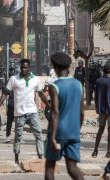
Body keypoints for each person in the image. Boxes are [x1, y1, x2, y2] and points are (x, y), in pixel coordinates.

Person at [0, 59, 50, 164]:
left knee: (38, 134)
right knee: (18, 136)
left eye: (25, 67)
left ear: (29, 68)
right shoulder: (14, 79)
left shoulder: (35, 79)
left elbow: (41, 94)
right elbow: (5, 93)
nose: (23, 69)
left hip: (32, 112)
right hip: (19, 113)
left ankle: (41, 157)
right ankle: (16, 158)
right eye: (22, 67)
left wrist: (48, 105)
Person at [44, 52, 84, 180]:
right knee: (72, 168)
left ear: (55, 68)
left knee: (50, 167)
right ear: (68, 67)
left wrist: (53, 138)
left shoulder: (54, 86)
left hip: (58, 132)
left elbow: (55, 112)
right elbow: (82, 112)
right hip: (74, 132)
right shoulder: (78, 84)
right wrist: (77, 129)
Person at [92, 63, 110, 158]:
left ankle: (95, 151)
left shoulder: (98, 81)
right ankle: (108, 152)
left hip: (101, 109)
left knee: (100, 130)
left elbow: (95, 96)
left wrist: (96, 107)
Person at [3, 66, 18, 143]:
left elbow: (6, 92)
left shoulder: (10, 80)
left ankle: (8, 136)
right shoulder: (15, 80)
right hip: (14, 103)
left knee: (11, 121)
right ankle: (13, 137)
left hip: (12, 103)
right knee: (16, 121)